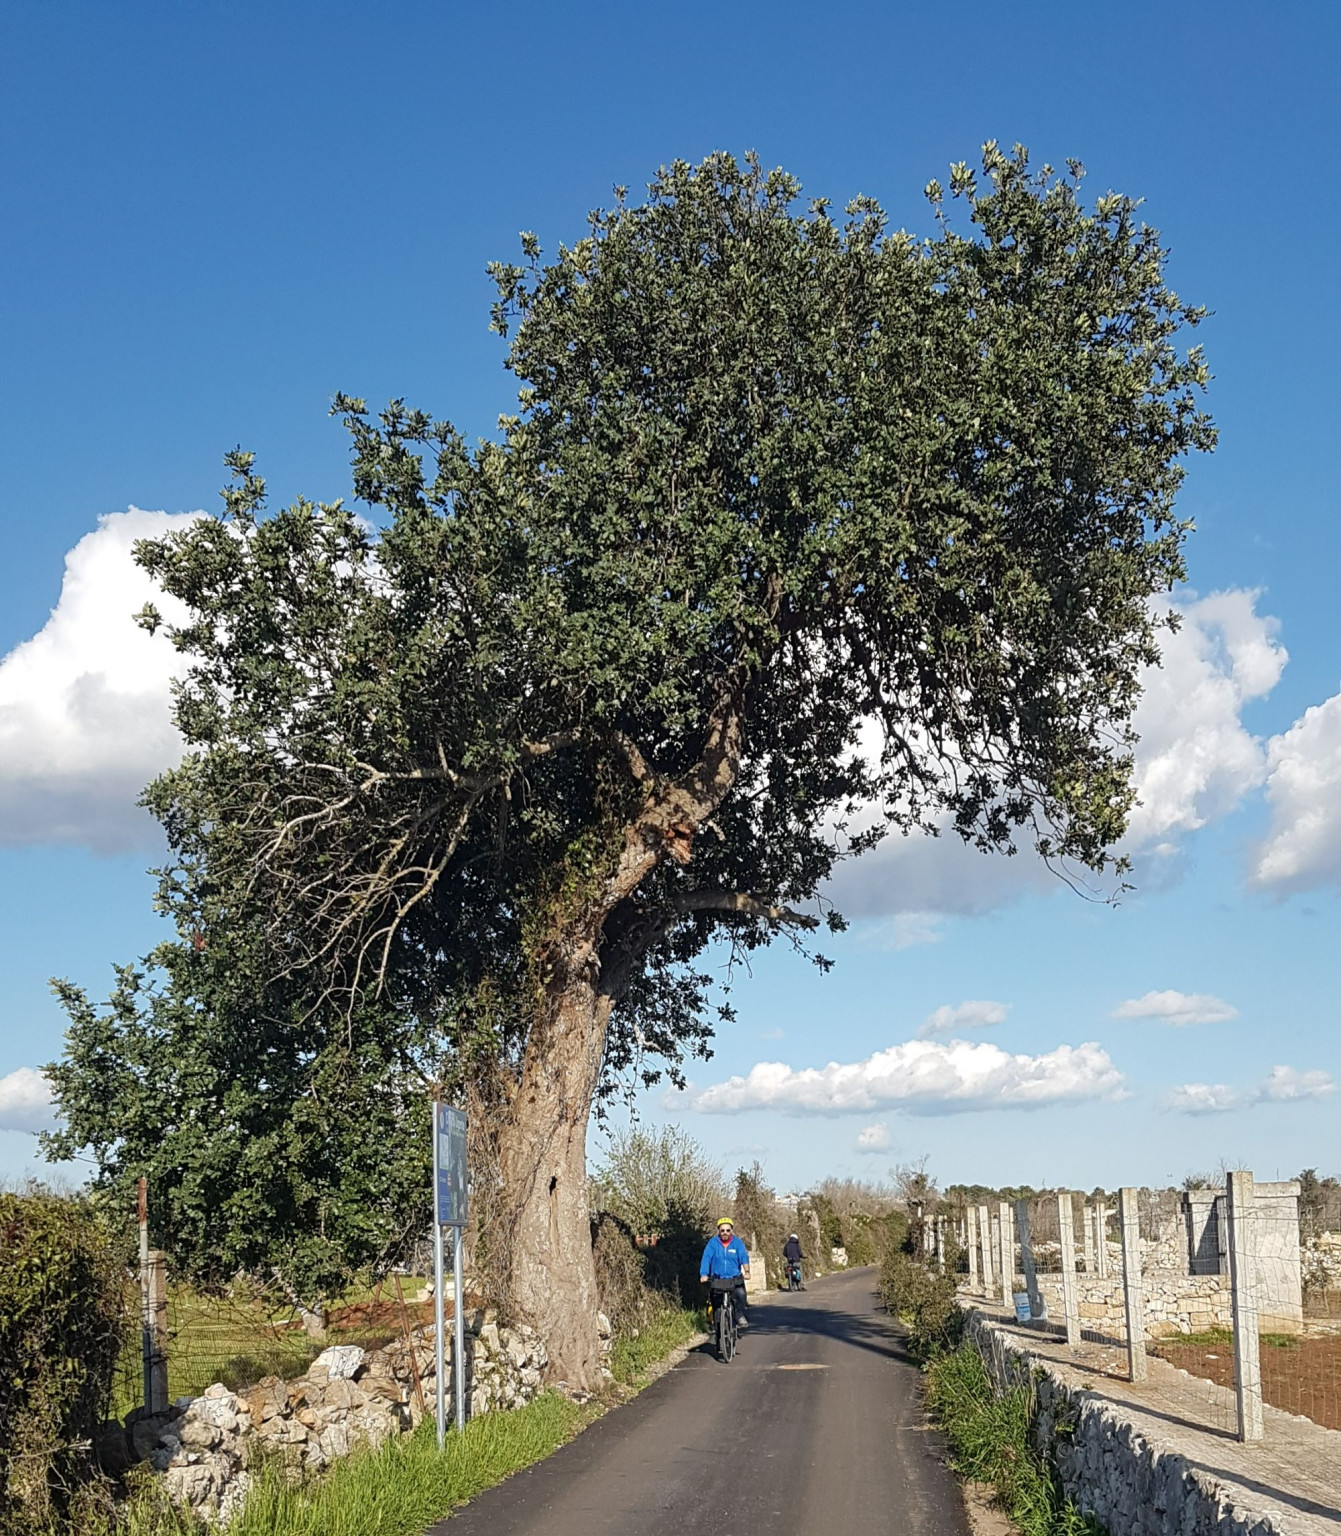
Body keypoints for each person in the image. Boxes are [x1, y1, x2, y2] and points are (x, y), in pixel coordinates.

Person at [700, 1216, 751, 1329]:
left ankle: (739, 1315)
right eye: (722, 1230)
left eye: (728, 1230)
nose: (725, 1233)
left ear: (731, 1230)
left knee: (741, 1295)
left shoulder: (737, 1243)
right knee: (715, 1304)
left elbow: (743, 1257)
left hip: (734, 1279)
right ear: (719, 1231)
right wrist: (704, 1274)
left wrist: (747, 1271)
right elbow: (706, 1258)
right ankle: (717, 1329)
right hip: (718, 1279)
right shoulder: (713, 1243)